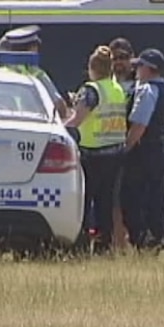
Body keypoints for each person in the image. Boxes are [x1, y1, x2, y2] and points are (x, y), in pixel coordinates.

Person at [65, 45, 128, 252]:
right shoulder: (117, 88)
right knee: (106, 203)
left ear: (92, 69)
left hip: (92, 155)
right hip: (115, 153)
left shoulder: (91, 90)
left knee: (84, 201)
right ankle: (104, 246)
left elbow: (77, 119)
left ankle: (81, 245)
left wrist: (58, 128)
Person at [120, 48, 164, 251]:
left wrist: (125, 149)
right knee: (157, 199)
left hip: (144, 154)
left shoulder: (146, 90)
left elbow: (139, 126)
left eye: (139, 66)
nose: (136, 70)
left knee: (134, 198)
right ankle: (157, 239)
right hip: (161, 150)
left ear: (149, 69)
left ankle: (142, 240)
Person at [0, 25, 70, 119]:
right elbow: (60, 107)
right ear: (32, 49)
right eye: (35, 47)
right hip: (33, 128)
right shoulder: (36, 74)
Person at [107, 37, 137, 248]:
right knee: (114, 202)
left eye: (124, 58)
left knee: (132, 200)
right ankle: (118, 244)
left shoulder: (139, 86)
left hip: (135, 151)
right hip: (111, 150)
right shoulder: (105, 85)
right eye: (115, 58)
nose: (119, 63)